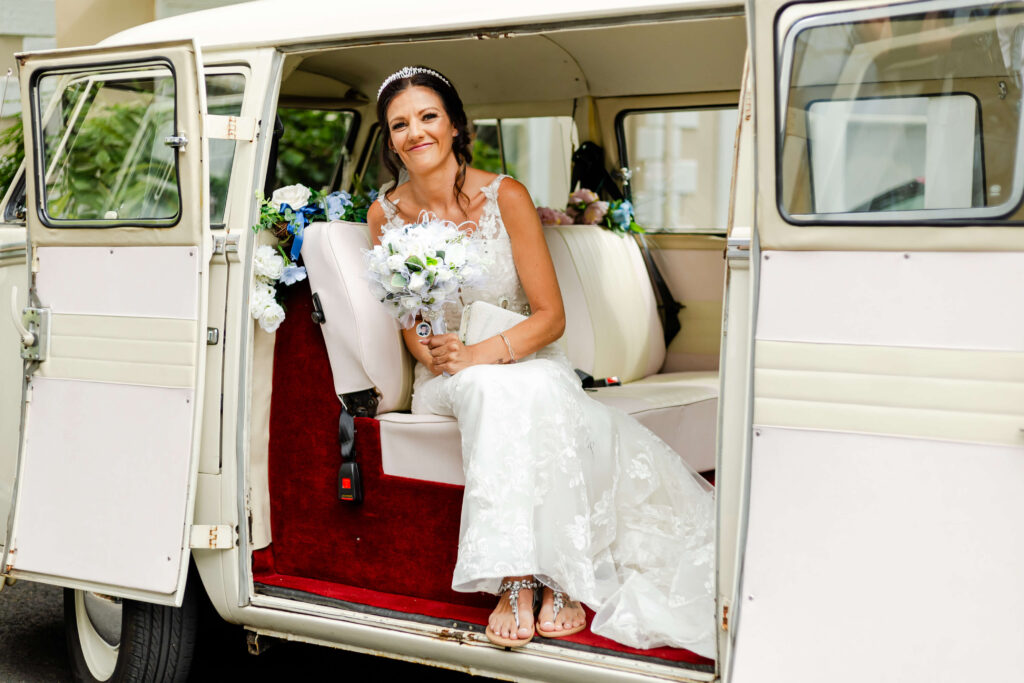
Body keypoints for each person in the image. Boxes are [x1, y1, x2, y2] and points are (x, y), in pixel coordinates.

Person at [367, 66, 716, 657]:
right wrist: (433, 349)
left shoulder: (506, 195)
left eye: (427, 117)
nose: (414, 133)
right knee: (485, 390)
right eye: (399, 125)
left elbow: (551, 317)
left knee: (524, 389)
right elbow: (409, 321)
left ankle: (548, 576)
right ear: (390, 139)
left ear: (454, 126)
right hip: (447, 377)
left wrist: (478, 353)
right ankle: (522, 577)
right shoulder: (386, 215)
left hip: (522, 354)